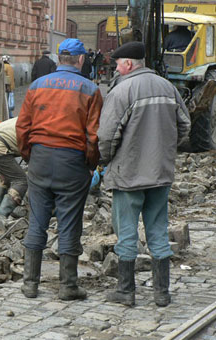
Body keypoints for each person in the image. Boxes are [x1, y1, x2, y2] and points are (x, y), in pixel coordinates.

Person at [98, 41, 190, 307]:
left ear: (127, 64)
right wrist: (166, 151)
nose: (116, 68)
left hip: (128, 176)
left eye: (117, 64)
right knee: (158, 231)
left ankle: (126, 292)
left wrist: (105, 159)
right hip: (160, 174)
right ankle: (162, 293)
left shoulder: (122, 91)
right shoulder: (167, 86)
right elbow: (184, 125)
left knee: (126, 233)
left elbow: (107, 136)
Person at [16, 38, 103, 300]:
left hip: (40, 160)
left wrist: (30, 156)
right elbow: (94, 136)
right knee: (69, 224)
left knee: (37, 222)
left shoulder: (37, 85)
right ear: (80, 60)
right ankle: (68, 286)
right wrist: (90, 164)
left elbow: (22, 128)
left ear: (58, 59)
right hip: (72, 162)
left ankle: (30, 284)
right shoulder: (90, 89)